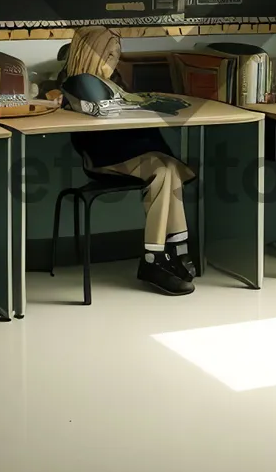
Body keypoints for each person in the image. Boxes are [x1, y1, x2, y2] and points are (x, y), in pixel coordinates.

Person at [61, 26, 198, 297]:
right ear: (88, 54)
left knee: (169, 169)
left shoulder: (115, 82)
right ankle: (154, 259)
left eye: (115, 55)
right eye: (107, 54)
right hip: (105, 156)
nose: (113, 61)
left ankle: (175, 251)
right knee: (164, 172)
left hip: (133, 152)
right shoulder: (79, 82)